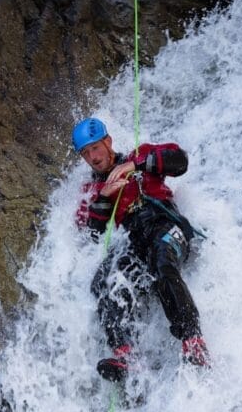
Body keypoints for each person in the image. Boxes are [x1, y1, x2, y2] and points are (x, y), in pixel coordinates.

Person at [72, 117, 209, 381]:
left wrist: (134, 165)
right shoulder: (93, 190)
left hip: (166, 226)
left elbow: (180, 161)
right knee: (103, 281)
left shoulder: (140, 156)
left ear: (108, 142)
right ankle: (126, 354)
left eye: (96, 148)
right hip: (136, 240)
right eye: (86, 153)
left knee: (161, 262)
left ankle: (193, 340)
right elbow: (92, 233)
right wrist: (104, 198)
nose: (93, 157)